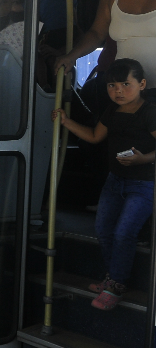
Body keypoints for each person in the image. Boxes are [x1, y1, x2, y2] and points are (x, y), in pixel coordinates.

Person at [52, 58, 156, 310]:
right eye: (112, 85)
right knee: (103, 230)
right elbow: (94, 136)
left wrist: (143, 158)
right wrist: (66, 121)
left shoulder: (149, 112)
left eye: (125, 84)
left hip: (144, 184)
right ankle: (112, 278)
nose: (118, 91)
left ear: (142, 84)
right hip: (114, 181)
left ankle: (116, 284)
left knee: (124, 233)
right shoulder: (111, 111)